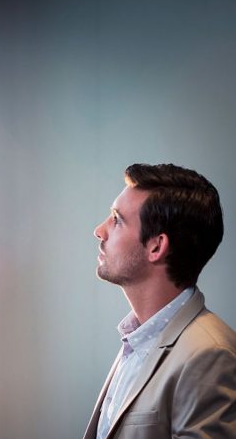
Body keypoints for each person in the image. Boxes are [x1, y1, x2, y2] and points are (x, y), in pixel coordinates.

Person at [84, 163, 236, 439]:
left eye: (117, 219)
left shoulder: (210, 355)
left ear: (156, 246)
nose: (99, 230)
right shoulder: (138, 339)